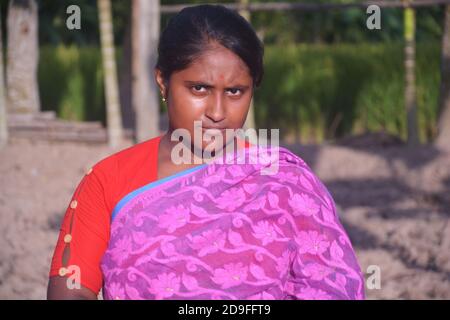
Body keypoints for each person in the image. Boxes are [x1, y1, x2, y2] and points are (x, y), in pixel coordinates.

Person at [47, 4, 365, 300]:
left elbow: (330, 285)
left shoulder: (284, 181)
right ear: (162, 82)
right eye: (199, 88)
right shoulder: (110, 181)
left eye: (235, 92)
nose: (217, 111)